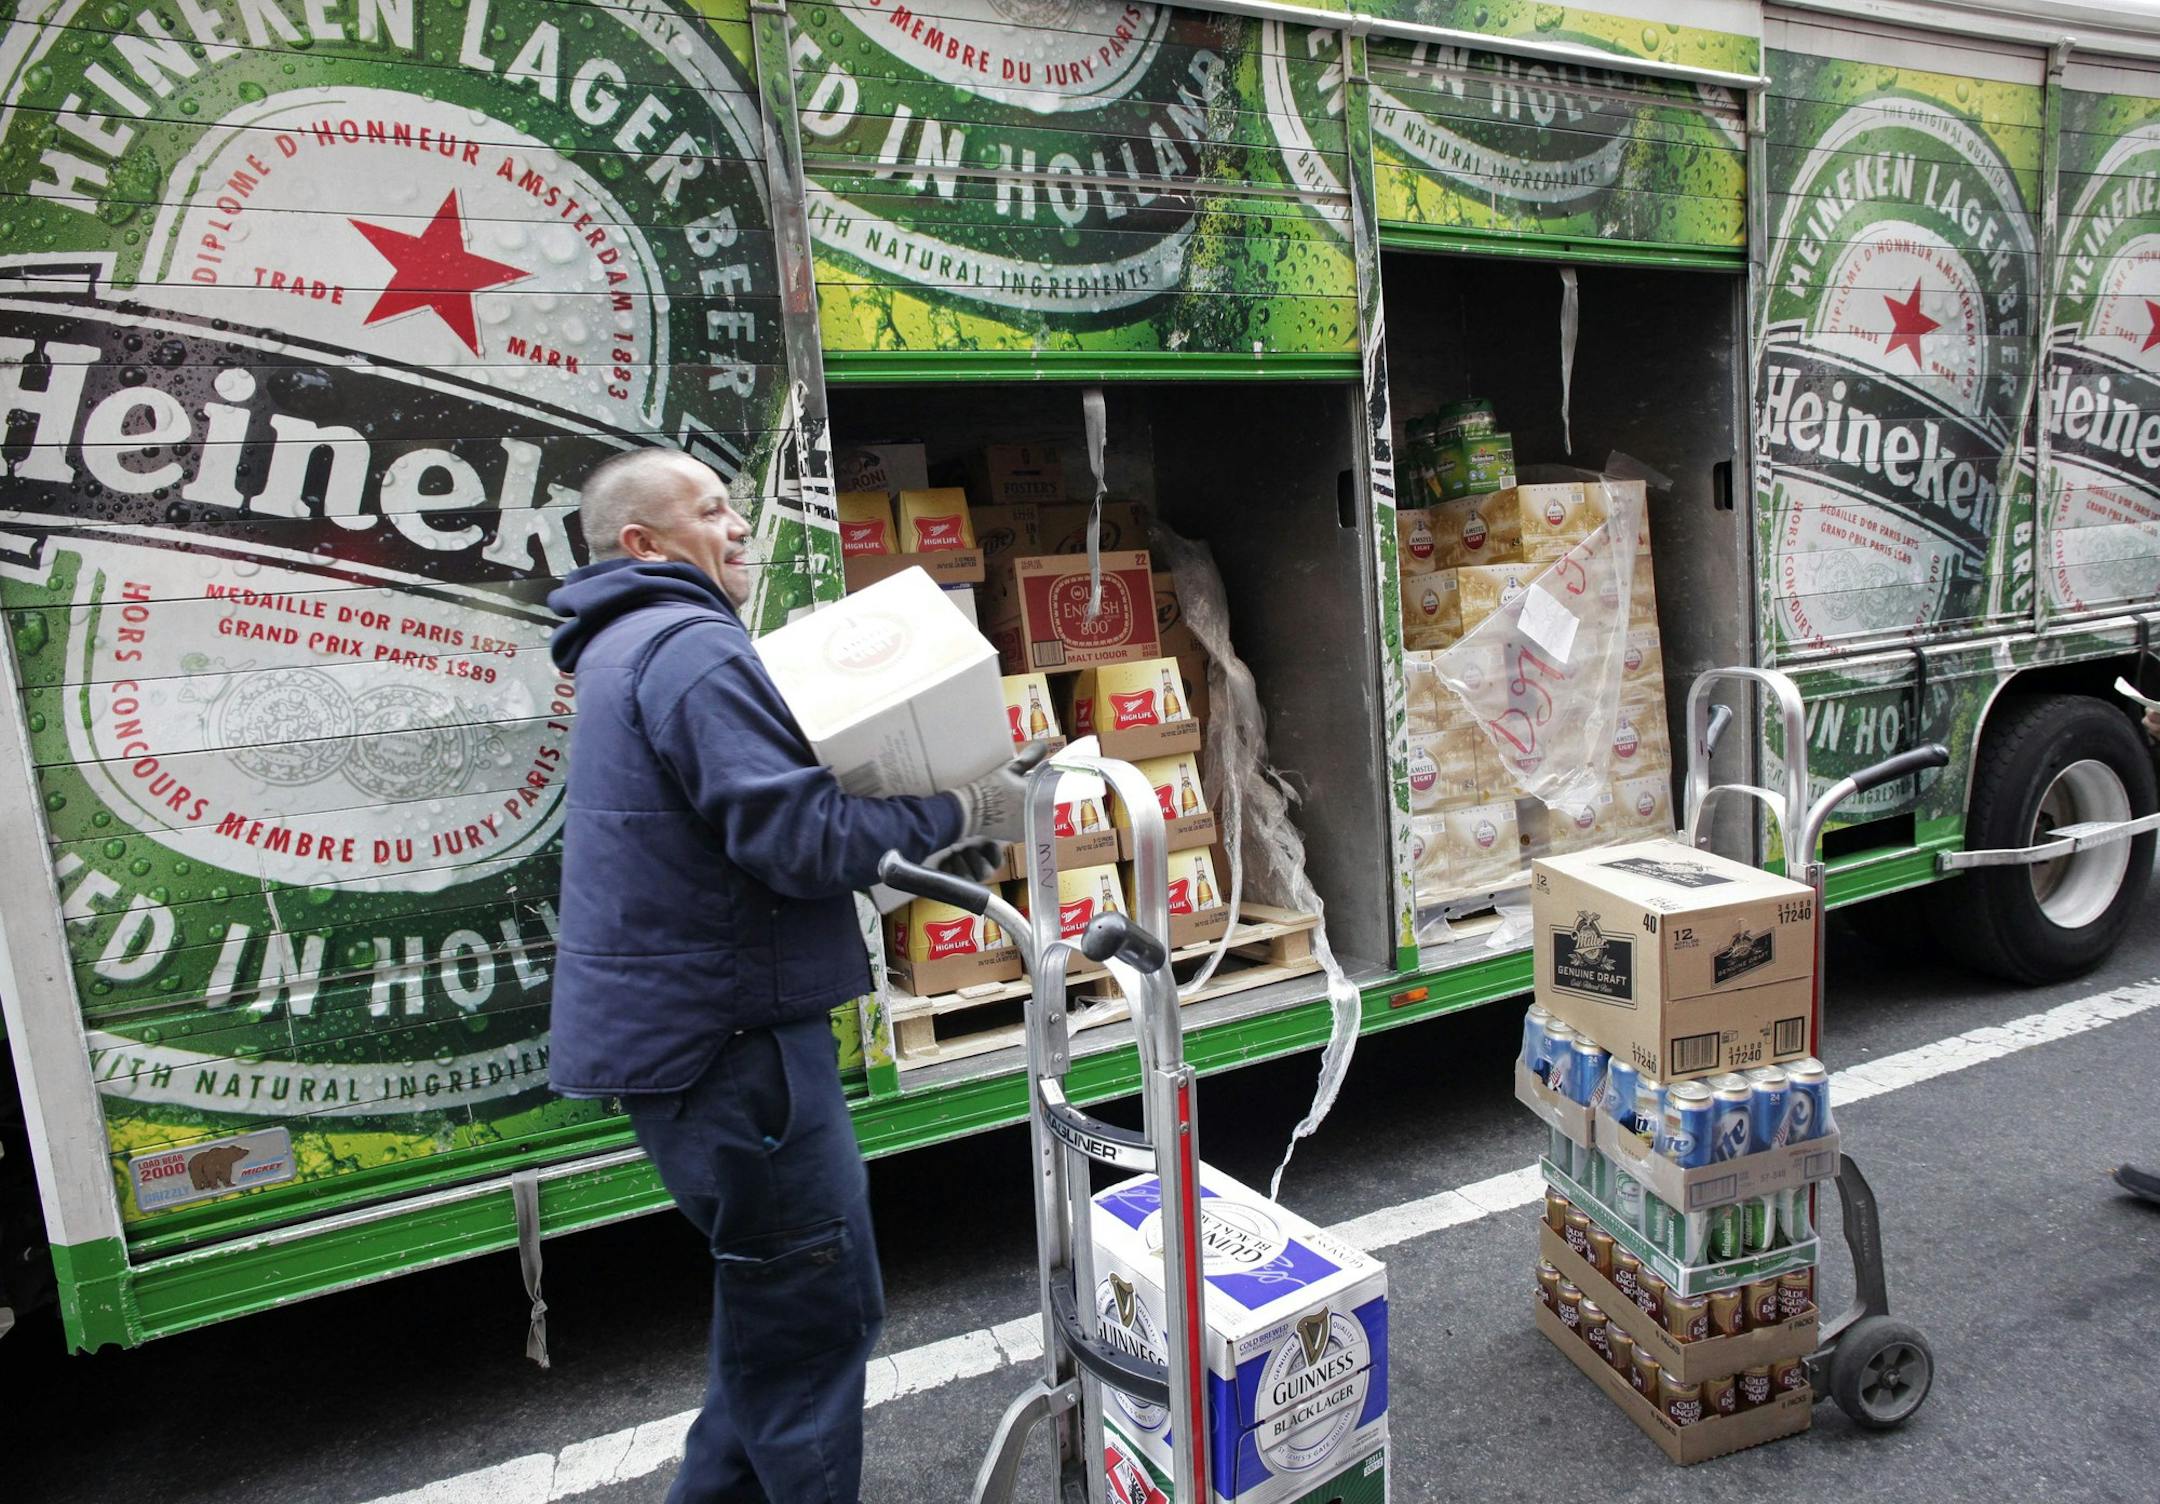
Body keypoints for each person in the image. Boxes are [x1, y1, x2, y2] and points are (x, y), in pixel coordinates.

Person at [546, 447, 1026, 1504]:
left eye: (733, 507)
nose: (737, 528)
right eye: (710, 511)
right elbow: (801, 841)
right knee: (813, 1320)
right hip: (736, 1050)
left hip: (699, 1040)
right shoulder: (690, 650)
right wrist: (964, 808)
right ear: (644, 542)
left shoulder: (622, 644)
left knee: (771, 1323)